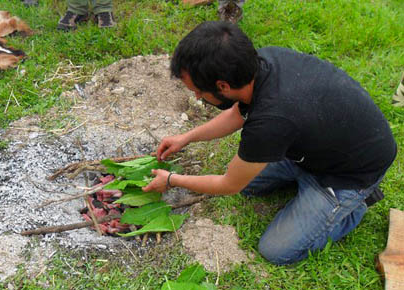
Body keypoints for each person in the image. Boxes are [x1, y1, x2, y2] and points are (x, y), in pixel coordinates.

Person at [142, 21, 397, 265]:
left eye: (198, 91)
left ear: (222, 85)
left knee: (276, 250)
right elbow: (238, 113)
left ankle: (353, 206)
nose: (197, 96)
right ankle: (304, 180)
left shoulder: (271, 122)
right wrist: (186, 137)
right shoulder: (261, 63)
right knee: (249, 185)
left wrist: (171, 180)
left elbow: (228, 184)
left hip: (350, 173)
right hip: (316, 144)